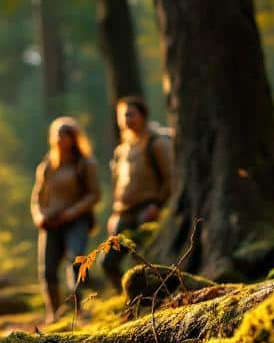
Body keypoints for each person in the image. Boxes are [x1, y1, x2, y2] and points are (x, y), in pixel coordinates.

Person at [30, 117, 101, 323]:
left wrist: (71, 213)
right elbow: (37, 197)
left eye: (66, 134)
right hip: (49, 224)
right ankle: (53, 313)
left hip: (76, 221)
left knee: (76, 262)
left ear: (74, 138)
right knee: (47, 269)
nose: (61, 139)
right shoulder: (47, 166)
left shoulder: (85, 164)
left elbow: (94, 194)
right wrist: (40, 217)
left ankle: (80, 310)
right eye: (58, 135)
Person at [101, 96, 174, 291]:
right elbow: (118, 185)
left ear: (143, 116)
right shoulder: (121, 150)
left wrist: (157, 205)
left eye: (130, 114)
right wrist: (114, 213)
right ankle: (124, 299)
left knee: (142, 260)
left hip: (147, 209)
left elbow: (170, 178)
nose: (126, 119)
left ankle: (150, 300)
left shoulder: (156, 143)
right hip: (123, 214)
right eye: (122, 115)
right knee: (108, 262)